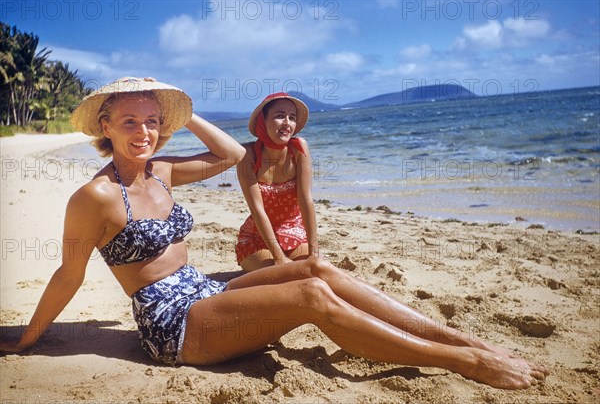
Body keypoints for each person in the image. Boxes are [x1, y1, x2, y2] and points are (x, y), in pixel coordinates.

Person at [0, 77, 548, 390]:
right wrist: (27, 339)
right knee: (310, 296)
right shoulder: (95, 196)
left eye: (152, 122)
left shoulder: (160, 169)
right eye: (129, 122)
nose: (144, 133)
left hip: (206, 293)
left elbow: (233, 154)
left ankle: (465, 340)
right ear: (104, 126)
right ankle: (462, 362)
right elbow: (68, 273)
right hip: (173, 326)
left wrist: (178, 111)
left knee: (318, 268)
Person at [235, 93, 318, 271]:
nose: (287, 123)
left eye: (292, 117)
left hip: (294, 232)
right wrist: (279, 257)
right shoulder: (248, 155)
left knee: (318, 271)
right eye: (280, 116)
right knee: (282, 274)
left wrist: (314, 253)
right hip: (257, 238)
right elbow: (257, 210)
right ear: (262, 121)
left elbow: (306, 200)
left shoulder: (298, 149)